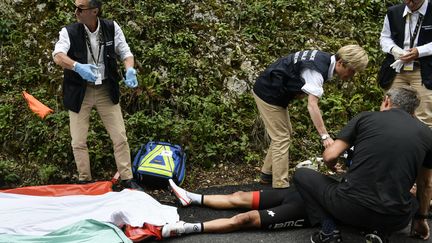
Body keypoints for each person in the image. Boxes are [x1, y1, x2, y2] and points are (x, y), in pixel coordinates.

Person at [162, 86, 432, 243]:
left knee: (300, 177)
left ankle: (330, 228)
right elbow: (426, 184)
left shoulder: (367, 118)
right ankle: (193, 198)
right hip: (393, 218)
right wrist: (419, 219)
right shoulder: (426, 134)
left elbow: (329, 157)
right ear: (413, 111)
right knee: (244, 198)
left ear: (386, 101)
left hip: (343, 205)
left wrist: (332, 166)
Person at [252, 45, 369, 188]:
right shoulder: (317, 71)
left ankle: (266, 174)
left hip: (274, 91)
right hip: (268, 92)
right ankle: (280, 185)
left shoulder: (324, 60)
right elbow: (312, 106)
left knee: (284, 134)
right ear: (341, 63)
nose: (352, 76)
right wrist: (325, 136)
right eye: (352, 71)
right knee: (281, 138)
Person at [52, 0, 138, 187]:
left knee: (120, 136)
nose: (76, 12)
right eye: (75, 7)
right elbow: (58, 55)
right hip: (79, 90)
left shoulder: (111, 27)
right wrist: (77, 66)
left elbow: (125, 52)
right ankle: (85, 180)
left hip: (106, 89)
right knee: (78, 140)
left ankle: (127, 179)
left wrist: (130, 69)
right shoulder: (69, 31)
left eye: (80, 8)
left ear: (94, 11)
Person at [379, 0, 432, 127]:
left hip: (424, 71)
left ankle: (423, 146)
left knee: (423, 116)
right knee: (390, 112)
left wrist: (419, 51)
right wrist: (394, 50)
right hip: (397, 69)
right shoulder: (393, 12)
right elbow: (385, 37)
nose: (410, 2)